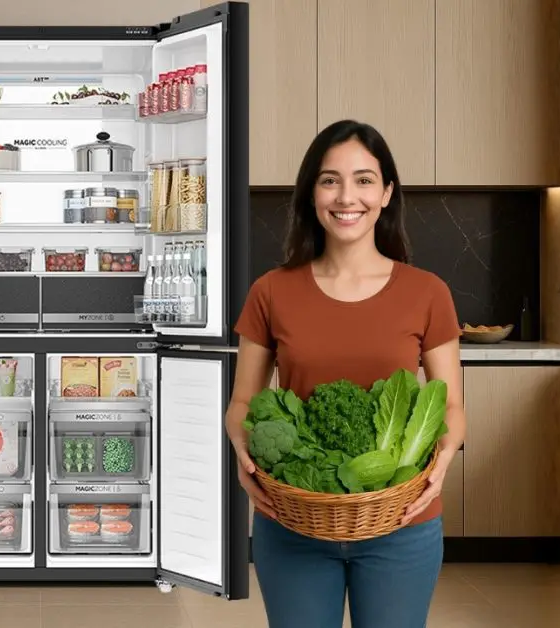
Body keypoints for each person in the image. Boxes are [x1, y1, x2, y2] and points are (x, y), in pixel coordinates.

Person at [227, 119, 467, 628]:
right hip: (294, 521)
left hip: (401, 523)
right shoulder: (272, 291)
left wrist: (442, 460)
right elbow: (242, 406)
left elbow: (450, 406)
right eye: (329, 179)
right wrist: (244, 463)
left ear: (386, 194)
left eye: (363, 179)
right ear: (312, 194)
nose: (346, 196)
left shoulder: (428, 292)